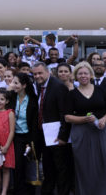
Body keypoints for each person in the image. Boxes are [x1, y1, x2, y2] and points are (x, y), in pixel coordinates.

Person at [64, 62, 106, 195]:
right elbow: (67, 117)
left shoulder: (100, 90)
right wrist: (84, 119)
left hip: (102, 132)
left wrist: (103, 120)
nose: (83, 76)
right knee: (85, 168)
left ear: (91, 75)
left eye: (86, 73)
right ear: (76, 76)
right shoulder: (72, 94)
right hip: (82, 134)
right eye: (80, 73)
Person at [31, 62, 74, 195]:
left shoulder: (58, 86)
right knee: (48, 167)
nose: (37, 76)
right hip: (44, 135)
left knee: (61, 168)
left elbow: (64, 114)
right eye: (35, 74)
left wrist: (62, 137)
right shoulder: (39, 86)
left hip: (57, 136)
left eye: (40, 73)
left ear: (48, 72)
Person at [8, 72, 38, 195]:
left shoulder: (32, 99)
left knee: (29, 165)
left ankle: (30, 191)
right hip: (15, 136)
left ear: (24, 85)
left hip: (28, 136)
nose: (12, 85)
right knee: (17, 165)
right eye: (12, 82)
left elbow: (35, 123)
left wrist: (31, 142)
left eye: (16, 83)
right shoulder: (11, 97)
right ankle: (18, 191)